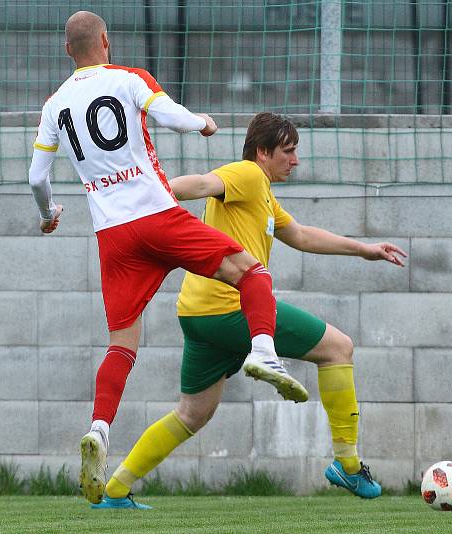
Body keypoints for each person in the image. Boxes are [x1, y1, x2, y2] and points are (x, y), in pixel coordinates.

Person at [28, 12, 307, 509]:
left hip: (113, 236)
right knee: (251, 271)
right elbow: (173, 117)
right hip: (158, 216)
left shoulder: (54, 105)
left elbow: (36, 177)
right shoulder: (129, 78)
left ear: (67, 50)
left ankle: (98, 429)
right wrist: (204, 124)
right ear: (107, 42)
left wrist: (49, 213)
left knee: (122, 344)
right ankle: (263, 353)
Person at [94, 112, 408, 509]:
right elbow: (204, 184)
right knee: (338, 348)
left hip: (198, 315)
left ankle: (116, 490)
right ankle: (347, 462)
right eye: (288, 151)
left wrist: (366, 250)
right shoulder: (247, 174)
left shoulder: (263, 194)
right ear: (263, 152)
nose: (295, 161)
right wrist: (149, 198)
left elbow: (301, 236)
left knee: (192, 414)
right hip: (233, 311)